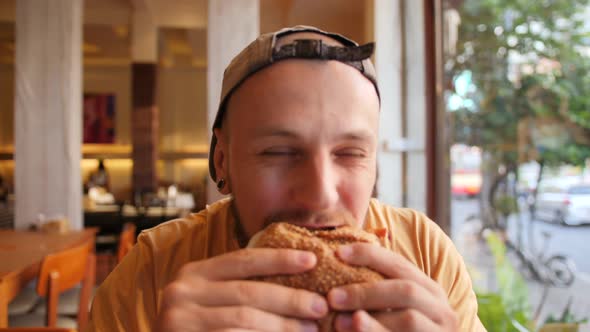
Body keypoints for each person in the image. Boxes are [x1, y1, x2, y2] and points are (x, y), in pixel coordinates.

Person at [87, 26, 485, 331]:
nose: (319, 195)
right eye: (278, 152)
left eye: (350, 153)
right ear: (222, 160)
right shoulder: (153, 270)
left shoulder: (424, 253)